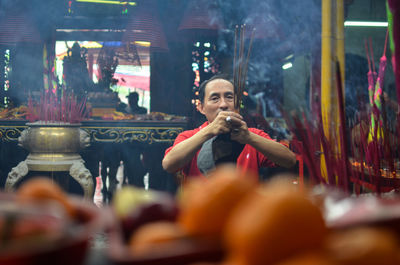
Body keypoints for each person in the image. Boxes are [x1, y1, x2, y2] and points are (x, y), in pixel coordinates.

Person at [162, 75, 296, 179]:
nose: (224, 104)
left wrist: (249, 137)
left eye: (229, 97)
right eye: (215, 98)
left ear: (236, 106)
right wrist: (210, 130)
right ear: (201, 107)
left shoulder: (251, 135)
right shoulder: (189, 137)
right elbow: (169, 164)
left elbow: (289, 160)